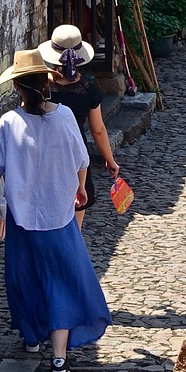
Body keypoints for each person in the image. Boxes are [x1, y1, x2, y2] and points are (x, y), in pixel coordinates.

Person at [0, 48, 111, 372]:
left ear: (18, 88)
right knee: (61, 282)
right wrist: (79, 189)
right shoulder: (64, 117)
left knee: (24, 278)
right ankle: (60, 360)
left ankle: (33, 337)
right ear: (47, 81)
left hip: (22, 221)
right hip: (60, 218)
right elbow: (82, 161)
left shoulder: (9, 122)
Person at [39, 25, 119, 234]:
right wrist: (109, 160)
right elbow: (98, 129)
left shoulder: (44, 90)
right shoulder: (87, 88)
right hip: (76, 157)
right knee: (76, 219)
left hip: (46, 155)